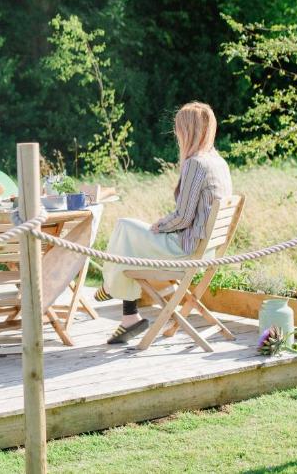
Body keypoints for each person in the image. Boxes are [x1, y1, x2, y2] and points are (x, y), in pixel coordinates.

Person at [98, 102, 232, 345]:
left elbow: (182, 217)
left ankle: (112, 286)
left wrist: (158, 226)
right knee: (130, 240)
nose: (176, 133)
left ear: (188, 131)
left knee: (124, 226)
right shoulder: (219, 162)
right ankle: (126, 312)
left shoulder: (196, 164)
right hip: (207, 251)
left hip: (186, 251)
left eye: (179, 128)